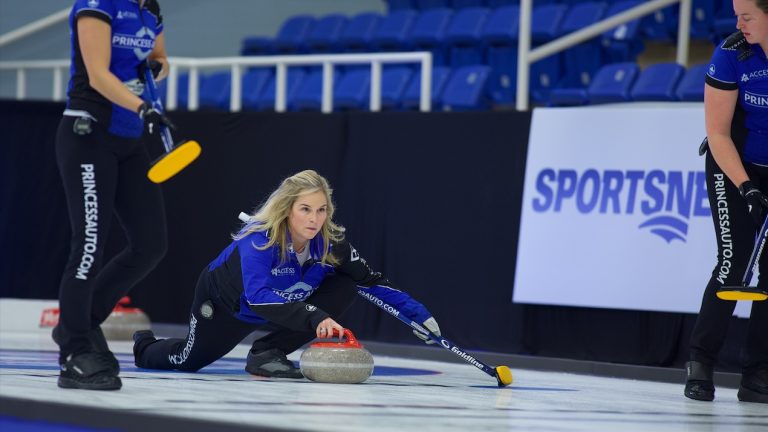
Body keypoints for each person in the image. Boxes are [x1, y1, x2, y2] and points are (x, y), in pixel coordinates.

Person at [132, 170, 441, 377]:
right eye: (305, 209)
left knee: (347, 283)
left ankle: (268, 352)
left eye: (321, 210)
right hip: (229, 306)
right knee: (188, 361)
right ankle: (144, 344)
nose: (315, 218)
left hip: (286, 307)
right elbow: (258, 297)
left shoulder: (331, 245)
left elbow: (369, 281)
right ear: (287, 209)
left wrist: (416, 315)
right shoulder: (260, 241)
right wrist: (317, 317)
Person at [54, 0, 174, 390]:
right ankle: (74, 349)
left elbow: (160, 57)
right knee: (89, 245)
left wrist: (156, 68)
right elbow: (98, 74)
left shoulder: (150, 10)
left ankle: (82, 323)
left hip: (128, 139)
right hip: (88, 133)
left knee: (151, 244)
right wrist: (144, 108)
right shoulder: (99, 4)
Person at [685, 0, 768, 404]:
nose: (738, 23)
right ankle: (700, 361)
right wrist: (748, 187)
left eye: (747, 15)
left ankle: (758, 374)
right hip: (733, 163)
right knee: (735, 259)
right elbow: (717, 134)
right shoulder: (732, 53)